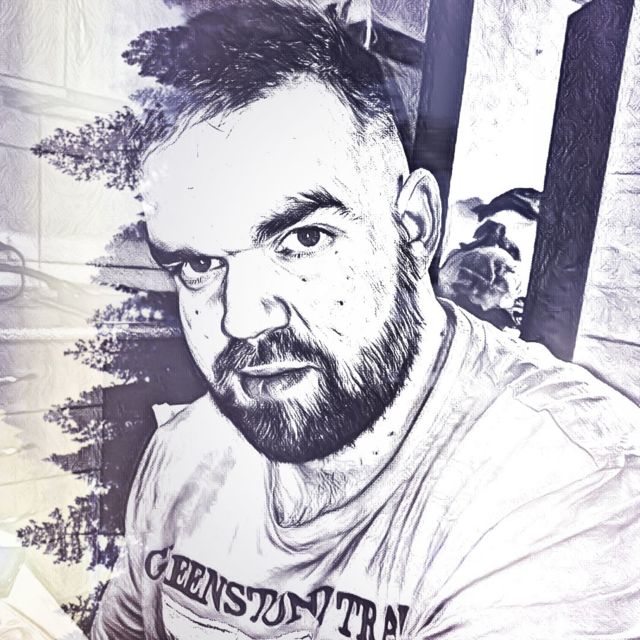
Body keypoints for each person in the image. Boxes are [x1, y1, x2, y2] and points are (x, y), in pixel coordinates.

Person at [92, 2, 640, 638]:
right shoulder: (182, 457)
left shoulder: (575, 489)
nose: (240, 319)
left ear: (415, 225)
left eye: (304, 238)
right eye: (198, 264)